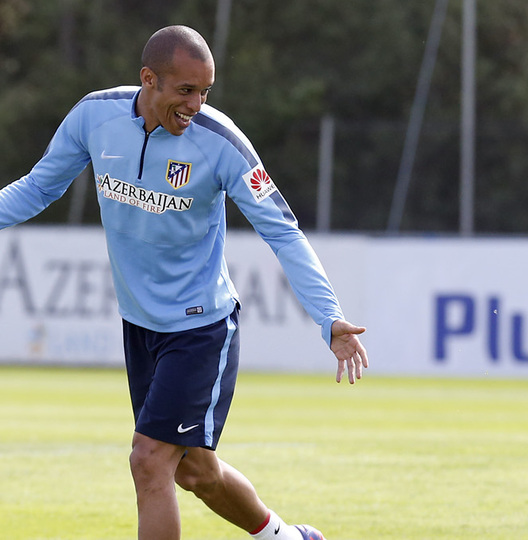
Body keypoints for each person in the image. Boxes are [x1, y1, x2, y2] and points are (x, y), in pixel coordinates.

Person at [0, 26, 369, 540]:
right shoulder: (93, 117)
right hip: (140, 327)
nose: (196, 104)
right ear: (148, 79)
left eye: (205, 92)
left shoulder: (222, 145)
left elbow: (283, 233)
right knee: (195, 472)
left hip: (201, 329)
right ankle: (287, 537)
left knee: (149, 462)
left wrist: (329, 318)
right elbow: (40, 186)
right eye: (185, 90)